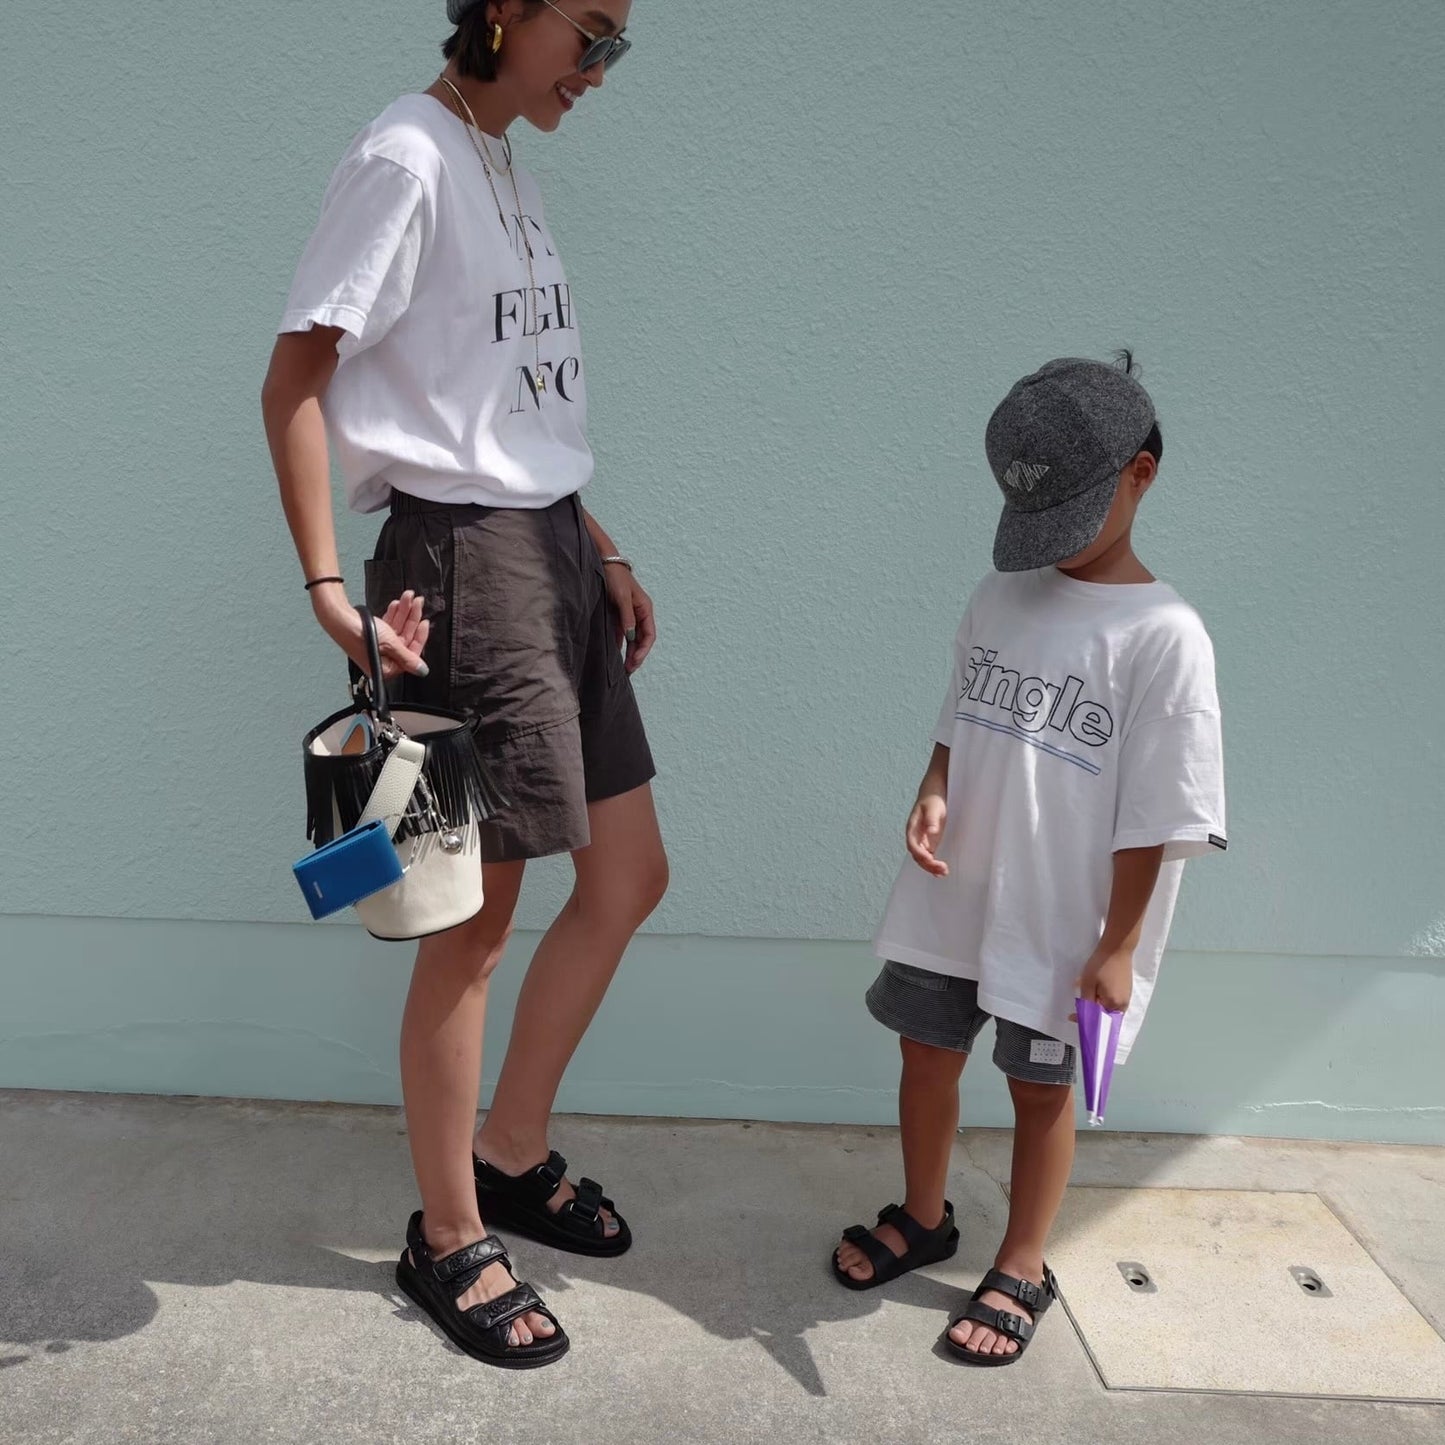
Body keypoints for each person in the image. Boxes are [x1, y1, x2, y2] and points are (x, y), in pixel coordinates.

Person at [261, 0, 665, 1369]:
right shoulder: (408, 158)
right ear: (505, 8)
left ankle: (507, 1148)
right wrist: (330, 590)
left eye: (622, 45)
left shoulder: (505, 163)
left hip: (546, 544)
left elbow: (501, 394)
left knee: (626, 873)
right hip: (466, 565)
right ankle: (444, 1234)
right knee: (469, 914)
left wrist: (594, 540)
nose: (603, 69)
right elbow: (294, 378)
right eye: (592, 33)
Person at [831, 355, 1227, 1366]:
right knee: (923, 1050)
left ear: (1140, 474)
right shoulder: (1000, 593)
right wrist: (931, 788)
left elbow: (1161, 812)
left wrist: (1116, 947)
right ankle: (925, 1213)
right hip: (955, 889)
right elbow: (956, 715)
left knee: (1038, 1088)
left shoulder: (1163, 636)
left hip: (1064, 918)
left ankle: (1021, 1259)